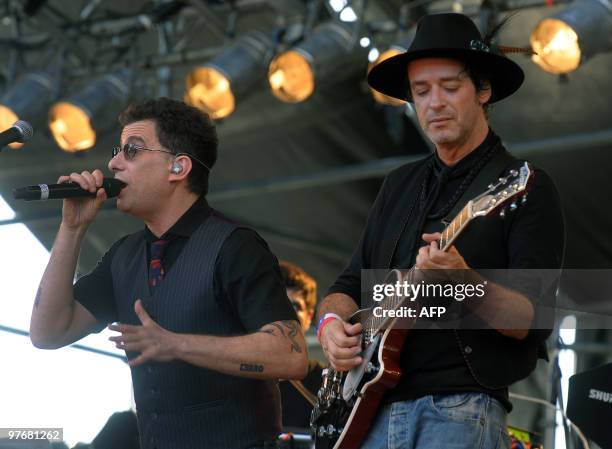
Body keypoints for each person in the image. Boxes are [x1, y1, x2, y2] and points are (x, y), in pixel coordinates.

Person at [316, 13, 564, 449]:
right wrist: (332, 324)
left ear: (483, 91)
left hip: (460, 408)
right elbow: (350, 282)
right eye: (421, 91)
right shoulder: (398, 184)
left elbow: (532, 319)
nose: (434, 103)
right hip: (370, 406)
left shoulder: (522, 185)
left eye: (450, 87)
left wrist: (463, 283)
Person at [29, 98, 308, 449]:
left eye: (131, 151)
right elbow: (48, 332)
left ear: (178, 167)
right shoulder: (123, 256)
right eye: (117, 151)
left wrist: (176, 343)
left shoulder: (235, 247)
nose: (113, 163)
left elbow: (290, 355)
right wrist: (72, 228)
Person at [277, 261, 324, 430]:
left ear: (309, 317)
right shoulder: (236, 377)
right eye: (279, 302)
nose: (287, 311)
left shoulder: (326, 383)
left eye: (296, 305)